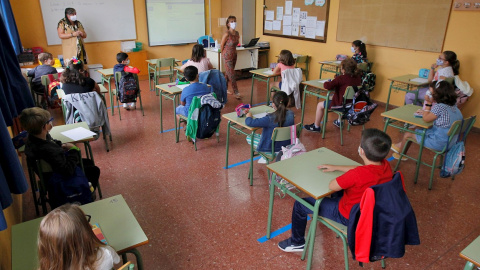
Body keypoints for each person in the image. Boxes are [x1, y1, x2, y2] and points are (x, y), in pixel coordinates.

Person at [278, 128, 393, 252]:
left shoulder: (357, 175)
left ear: (362, 151)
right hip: (372, 213)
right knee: (341, 192)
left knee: (300, 204)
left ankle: (297, 242)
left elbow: (333, 185)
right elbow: (362, 169)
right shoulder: (386, 166)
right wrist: (337, 167)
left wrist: (345, 175)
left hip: (349, 216)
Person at [19, 107, 100, 204]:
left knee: (88, 162)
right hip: (61, 178)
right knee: (94, 170)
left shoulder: (32, 140)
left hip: (48, 175)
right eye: (50, 121)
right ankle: (85, 193)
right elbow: (67, 170)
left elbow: (51, 143)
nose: (51, 122)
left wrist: (59, 145)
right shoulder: (49, 150)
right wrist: (73, 150)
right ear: (44, 126)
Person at [391, 81, 463, 160]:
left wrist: (429, 103)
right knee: (416, 128)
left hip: (439, 143)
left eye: (431, 94)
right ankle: (400, 146)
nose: (430, 95)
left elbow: (426, 119)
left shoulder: (439, 107)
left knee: (408, 133)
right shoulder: (454, 107)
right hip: (451, 142)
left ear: (437, 95)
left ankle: (401, 155)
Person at [37, 204, 120, 270]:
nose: (90, 225)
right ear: (84, 235)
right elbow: (117, 260)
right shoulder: (105, 254)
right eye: (86, 221)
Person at [304, 58, 362, 132]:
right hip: (353, 105)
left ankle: (316, 126)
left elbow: (327, 86)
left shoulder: (341, 78)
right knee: (342, 99)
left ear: (343, 70)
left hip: (341, 106)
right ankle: (339, 121)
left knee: (320, 105)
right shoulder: (358, 78)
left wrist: (327, 82)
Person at [245, 91, 295, 164]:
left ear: (273, 104)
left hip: (271, 148)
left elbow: (249, 123)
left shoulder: (270, 118)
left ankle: (265, 156)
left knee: (250, 136)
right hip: (287, 146)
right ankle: (267, 157)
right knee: (271, 134)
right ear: (287, 103)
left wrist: (248, 116)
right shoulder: (291, 114)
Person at [220, 15, 241, 100]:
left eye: (235, 21)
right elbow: (222, 45)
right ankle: (236, 91)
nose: (234, 23)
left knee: (228, 74)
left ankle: (224, 89)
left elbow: (237, 43)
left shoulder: (237, 33)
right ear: (228, 24)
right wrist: (223, 54)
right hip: (227, 56)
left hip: (234, 55)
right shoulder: (226, 34)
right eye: (231, 22)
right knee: (232, 74)